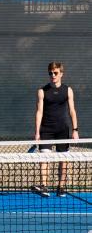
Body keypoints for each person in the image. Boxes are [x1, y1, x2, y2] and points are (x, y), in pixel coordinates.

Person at [32, 61, 79, 197]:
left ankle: (61, 187)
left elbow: (72, 111)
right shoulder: (42, 91)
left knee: (63, 159)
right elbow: (39, 112)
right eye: (50, 73)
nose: (53, 75)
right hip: (46, 130)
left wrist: (75, 130)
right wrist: (37, 132)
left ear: (61, 74)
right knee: (44, 158)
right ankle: (44, 186)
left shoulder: (68, 90)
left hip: (62, 130)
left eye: (55, 73)